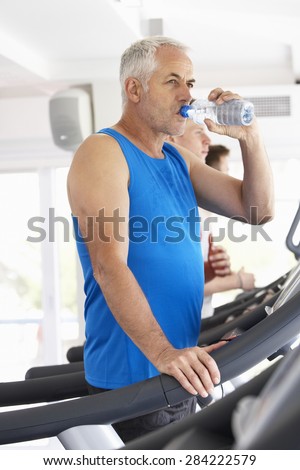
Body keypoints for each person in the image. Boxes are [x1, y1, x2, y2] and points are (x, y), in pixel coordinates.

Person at [67, 36, 274, 442]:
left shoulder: (178, 159)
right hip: (138, 376)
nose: (187, 94)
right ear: (134, 89)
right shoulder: (103, 152)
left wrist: (251, 139)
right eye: (173, 81)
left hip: (177, 370)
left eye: (191, 83)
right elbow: (109, 266)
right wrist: (163, 352)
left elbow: (258, 211)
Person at [169, 129, 256, 318]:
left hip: (199, 317)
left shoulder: (203, 217)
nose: (230, 178)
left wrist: (217, 268)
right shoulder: (186, 214)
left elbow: (197, 273)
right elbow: (182, 285)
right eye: (225, 172)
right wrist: (237, 281)